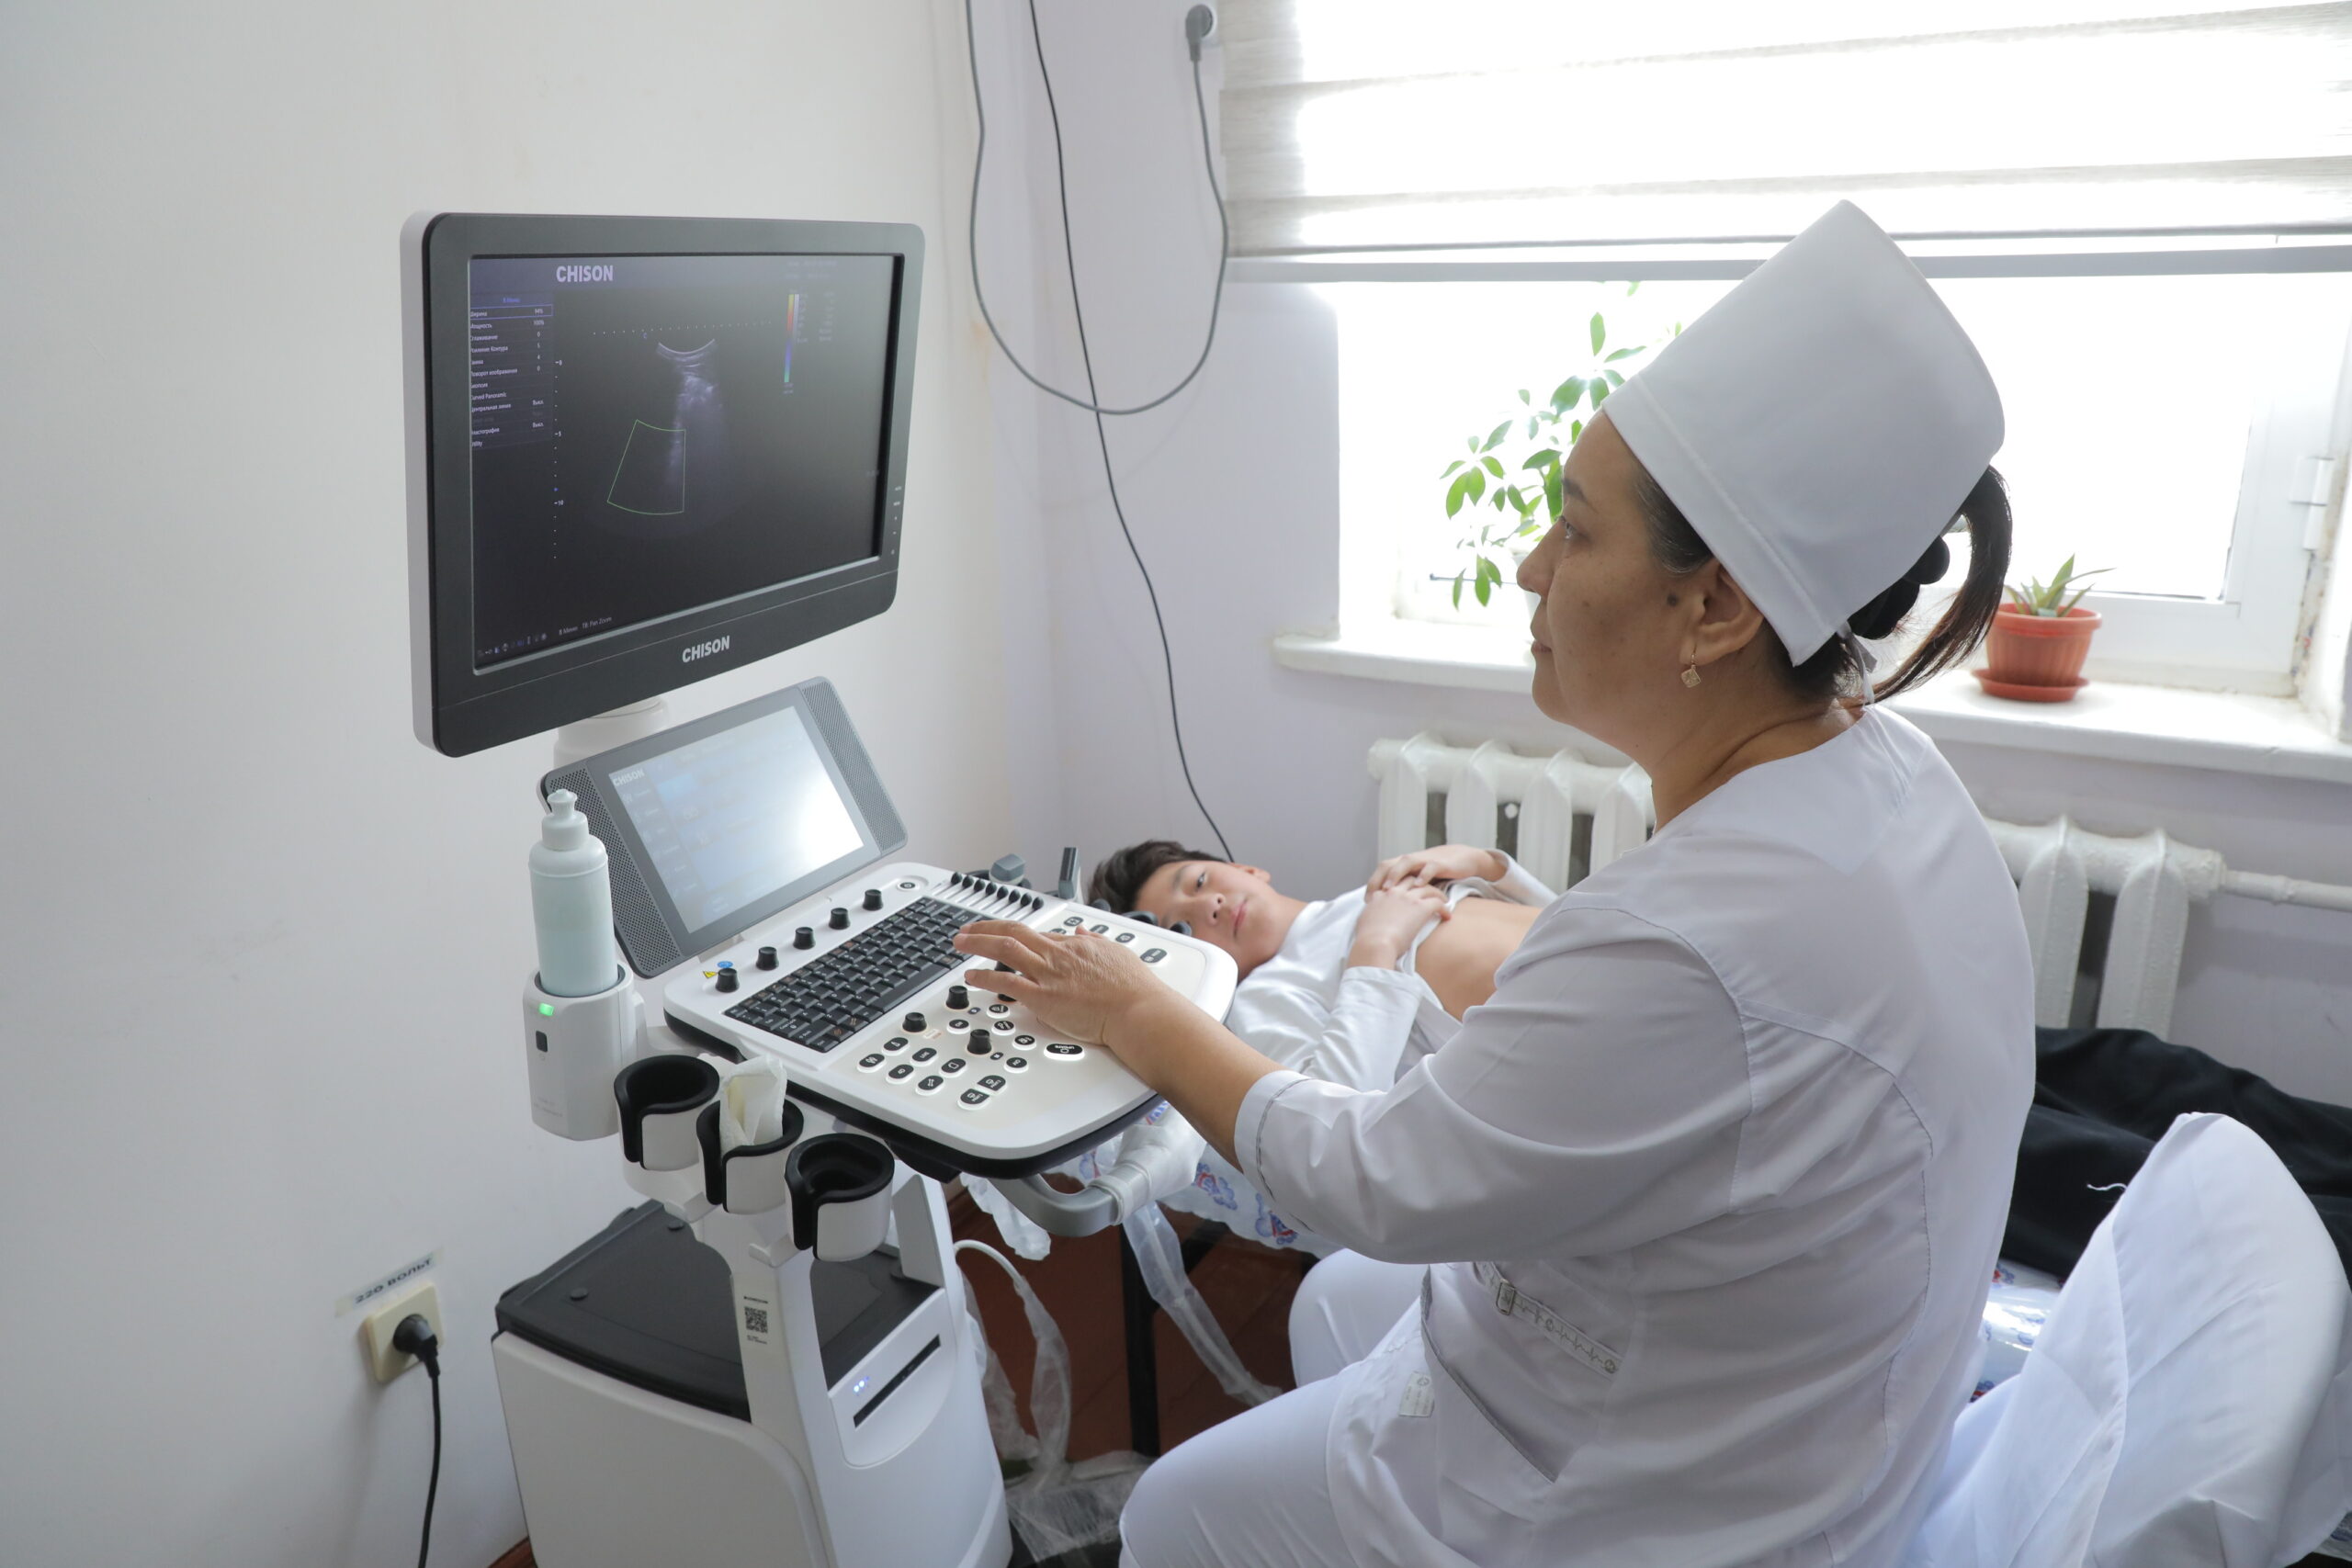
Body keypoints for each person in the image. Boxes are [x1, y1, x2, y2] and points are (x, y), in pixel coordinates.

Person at [955, 200, 2035, 1568]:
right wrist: (1485, 895)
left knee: (1176, 1511)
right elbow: (1687, 1012)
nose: (1529, 567)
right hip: (1796, 1370)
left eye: (1574, 533)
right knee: (1339, 1308)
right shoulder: (1884, 770)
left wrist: (1138, 1007)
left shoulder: (1684, 939)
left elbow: (1376, 1181)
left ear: (1715, 609)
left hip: (1684, 1500)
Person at [1091, 840, 1554, 1092]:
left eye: (1198, 881)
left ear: (1248, 869)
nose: (1207, 905)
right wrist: (1377, 947)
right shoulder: (1262, 998)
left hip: (1584, 960)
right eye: (1182, 928)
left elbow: (1560, 916)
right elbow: (1338, 1109)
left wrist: (1485, 864)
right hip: (1559, 1040)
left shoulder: (1369, 893)